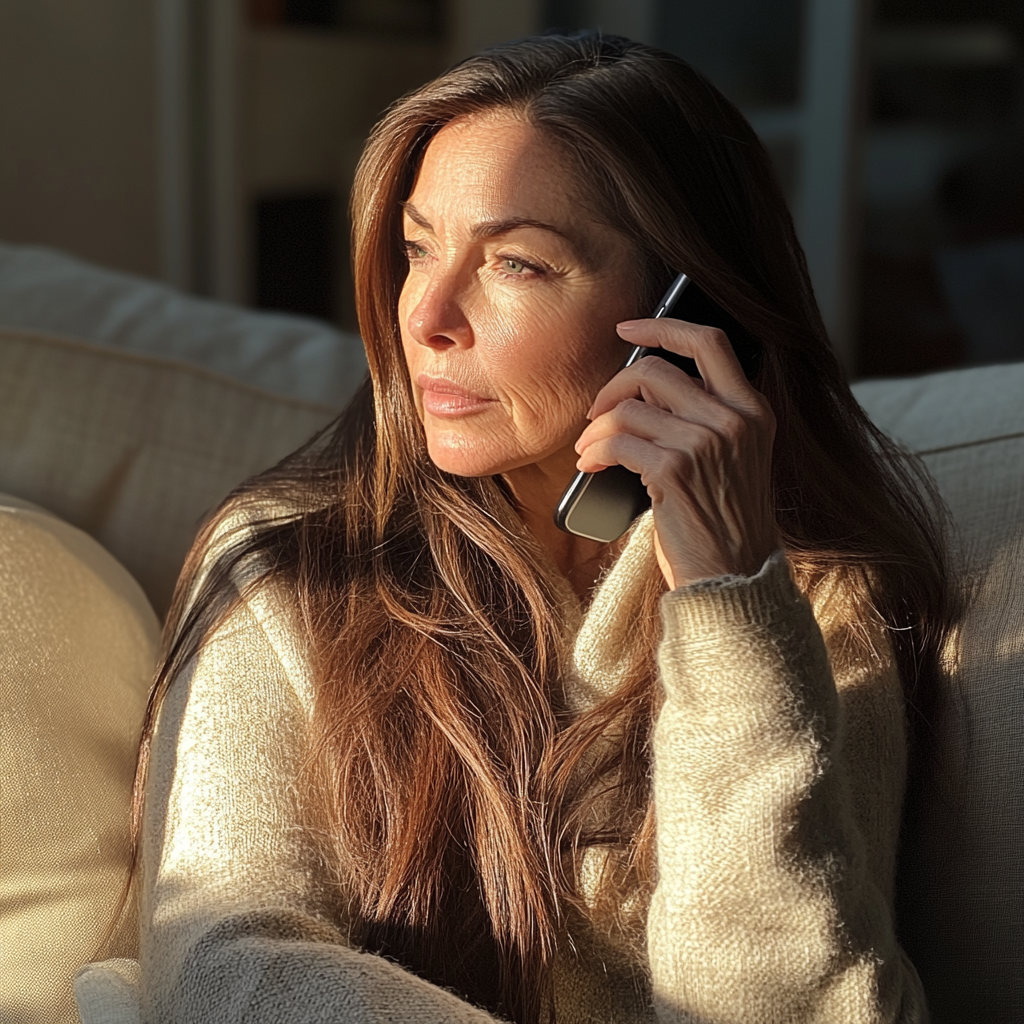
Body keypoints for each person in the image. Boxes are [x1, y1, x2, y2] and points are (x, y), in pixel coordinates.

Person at [133, 32, 955, 1024]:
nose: (425, 314)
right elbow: (225, 954)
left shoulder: (813, 600)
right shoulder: (298, 562)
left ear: (688, 314)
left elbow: (787, 1006)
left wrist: (726, 604)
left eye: (516, 264)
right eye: (417, 248)